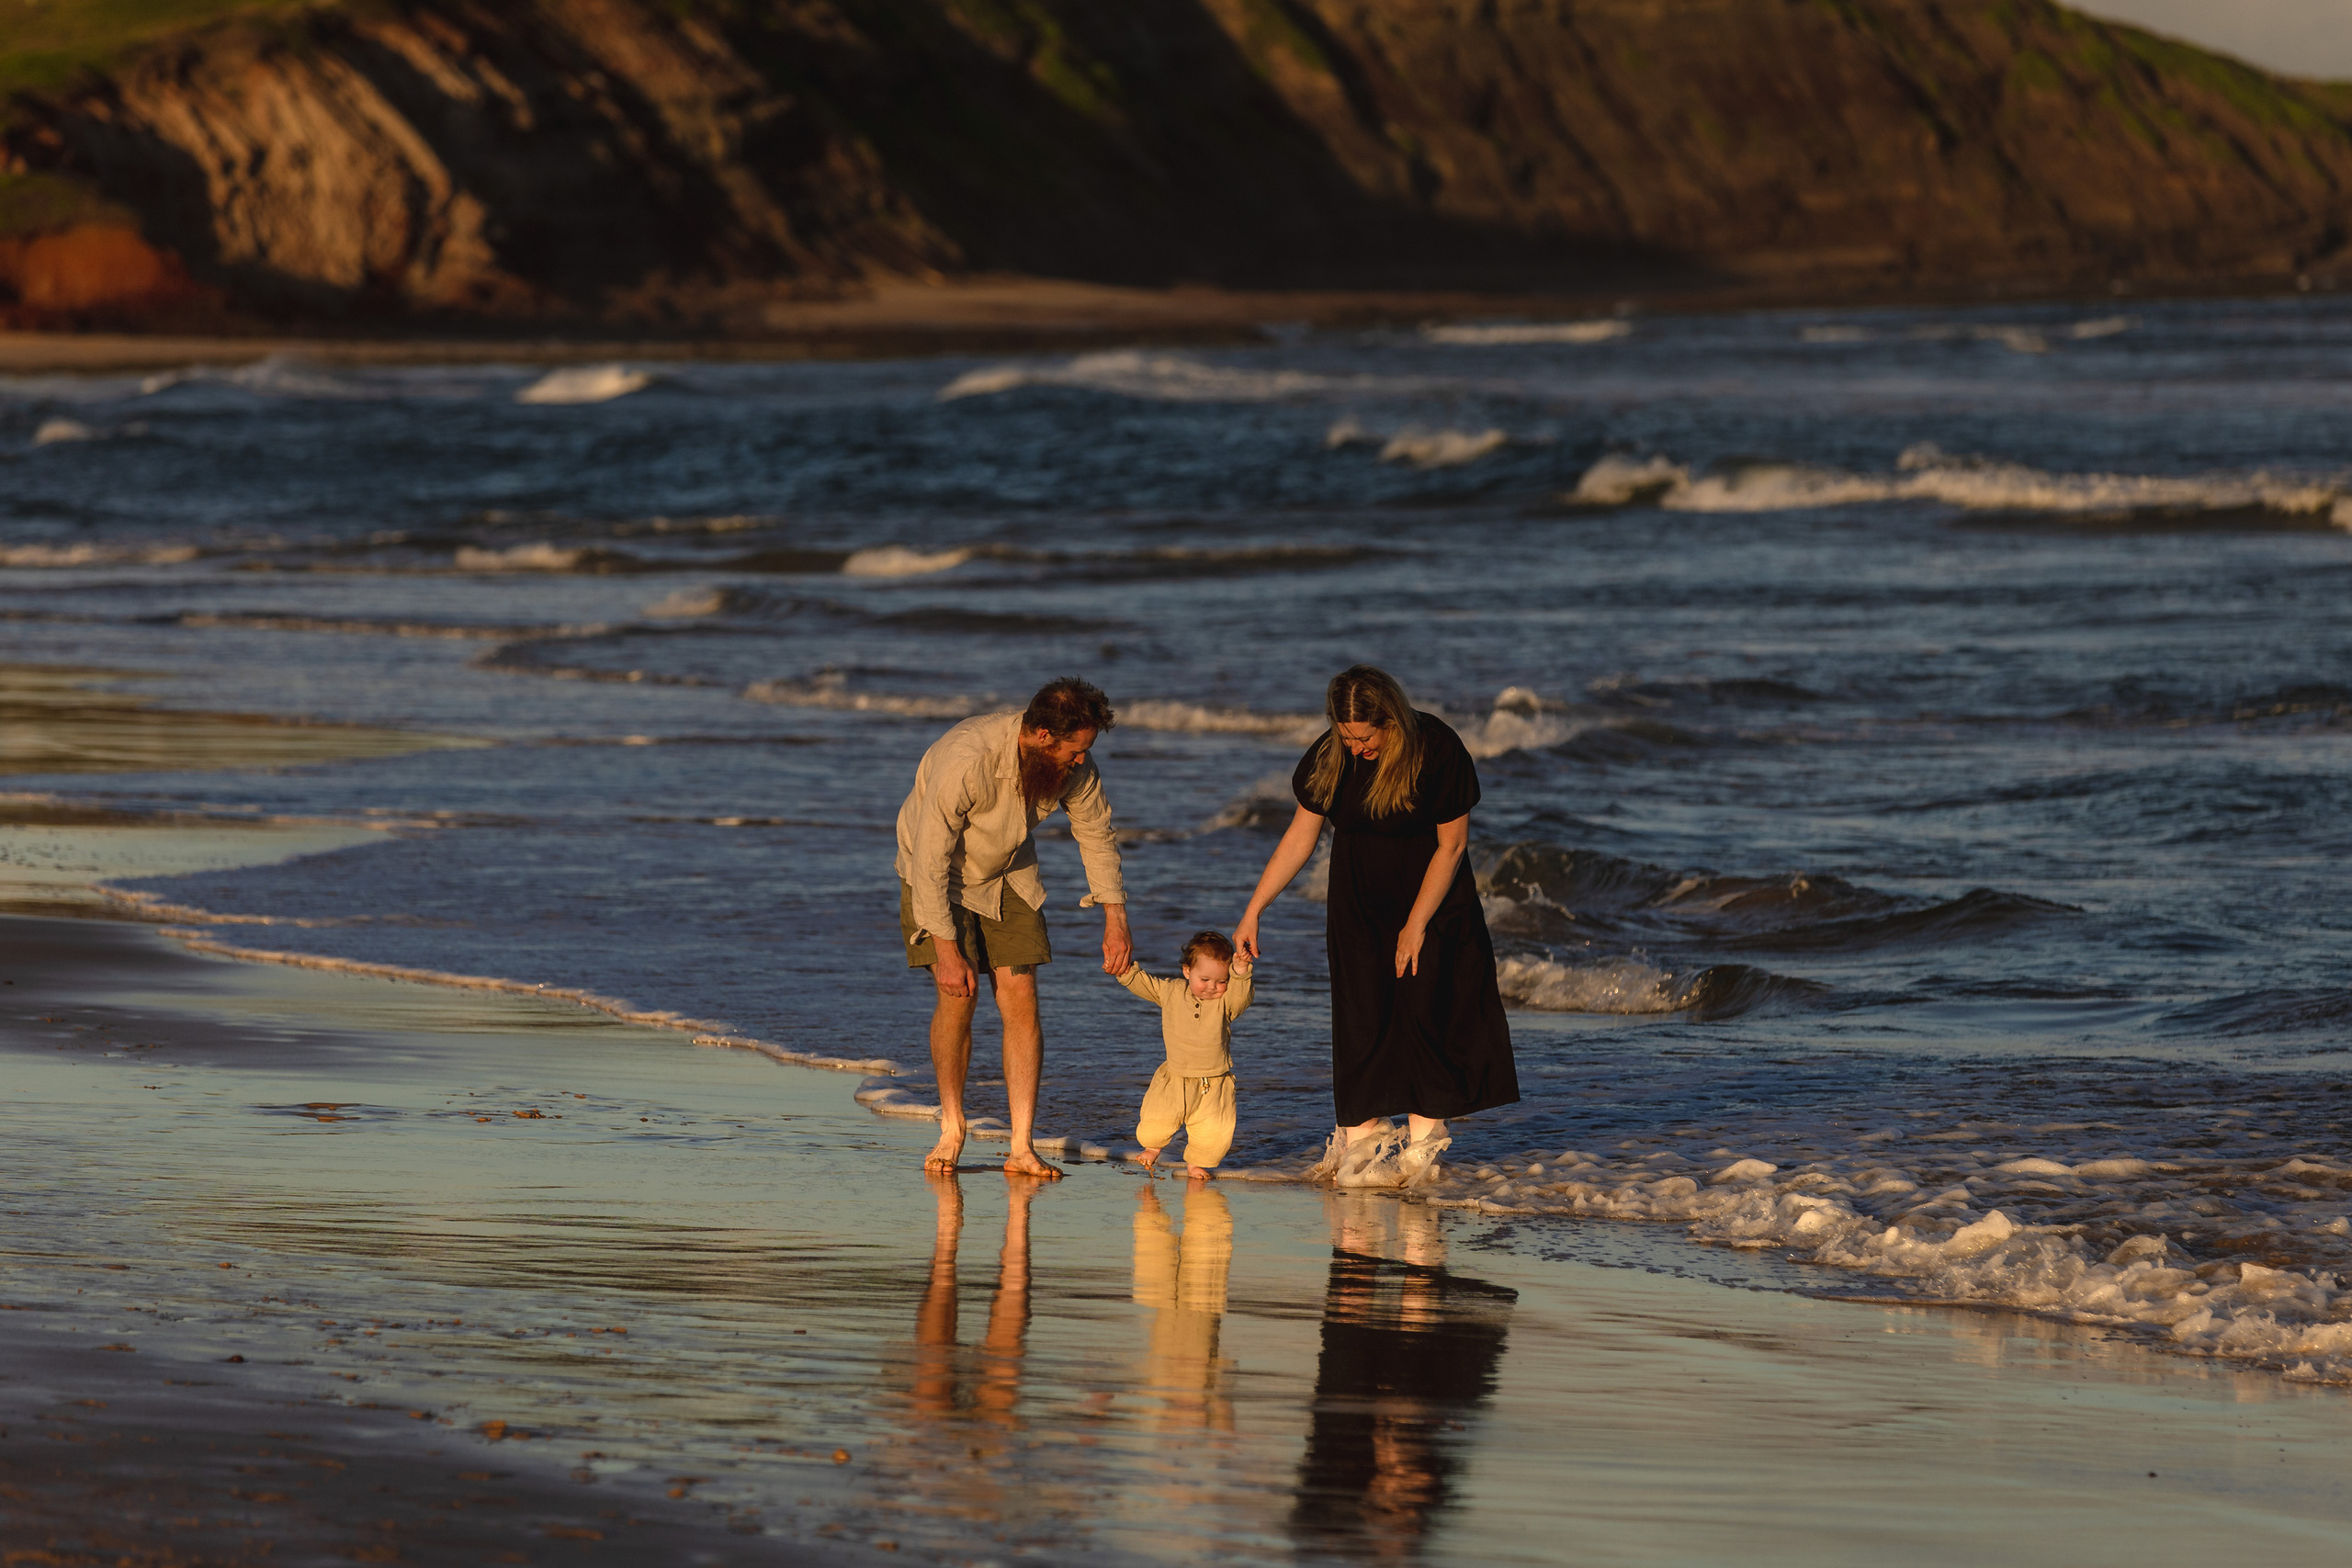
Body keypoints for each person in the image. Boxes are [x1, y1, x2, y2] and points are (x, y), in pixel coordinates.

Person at [1232, 664, 1517, 1185]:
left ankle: (1420, 1159)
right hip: (1357, 902)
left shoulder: (1436, 747)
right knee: (1361, 1019)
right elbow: (1300, 836)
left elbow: (1452, 846)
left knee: (1425, 1019)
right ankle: (1361, 1149)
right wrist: (1254, 909)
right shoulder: (1331, 754)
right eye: (1346, 735)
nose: (1356, 746)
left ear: (1391, 719)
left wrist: (1415, 926)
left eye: (1364, 737)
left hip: (1433, 900)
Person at [896, 677, 1132, 1179]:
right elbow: (931, 859)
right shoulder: (968, 761)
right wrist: (947, 950)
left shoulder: (1073, 767)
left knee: (1020, 994)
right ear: (1042, 736)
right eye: (1075, 750)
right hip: (935, 874)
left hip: (1007, 871)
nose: (1081, 761)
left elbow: (1096, 832)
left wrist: (1115, 918)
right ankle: (952, 1126)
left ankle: (1021, 1146)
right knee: (959, 995)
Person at [1115, 930, 1254, 1179]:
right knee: (1158, 1116)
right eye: (1205, 979)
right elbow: (1145, 984)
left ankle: (1196, 1164)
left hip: (1215, 1080)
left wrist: (1241, 970)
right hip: (1175, 1075)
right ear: (1187, 971)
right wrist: (1124, 971)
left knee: (1213, 1130)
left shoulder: (1226, 1003)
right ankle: (1152, 1148)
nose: (1212, 987)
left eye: (1221, 981)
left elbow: (1241, 997)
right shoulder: (1171, 992)